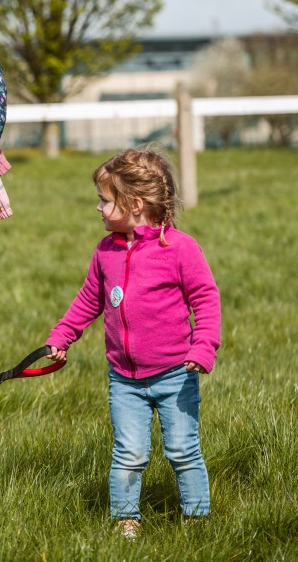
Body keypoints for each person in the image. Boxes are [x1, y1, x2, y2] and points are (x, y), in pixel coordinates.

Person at [44, 148, 221, 538]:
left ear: (135, 204)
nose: (99, 208)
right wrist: (62, 336)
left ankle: (196, 519)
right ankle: (125, 520)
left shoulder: (180, 249)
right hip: (124, 379)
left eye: (106, 201)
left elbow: (206, 299)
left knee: (182, 449)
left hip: (177, 373)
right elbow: (88, 300)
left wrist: (204, 346)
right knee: (129, 453)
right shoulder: (105, 252)